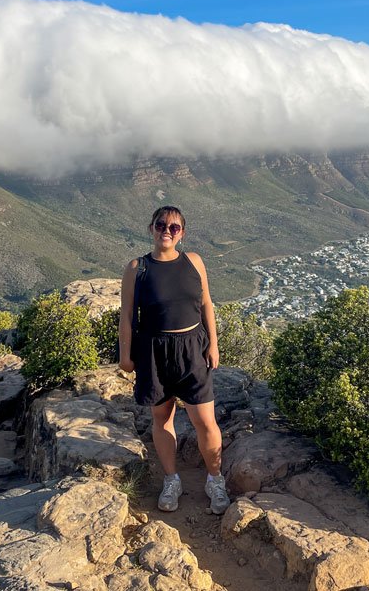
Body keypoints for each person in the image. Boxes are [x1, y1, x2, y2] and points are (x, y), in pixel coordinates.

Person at [118, 205, 230, 515]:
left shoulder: (194, 262)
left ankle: (215, 480)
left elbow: (207, 303)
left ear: (182, 234)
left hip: (193, 348)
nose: (167, 230)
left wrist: (213, 344)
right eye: (161, 224)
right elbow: (126, 315)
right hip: (154, 351)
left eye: (174, 227)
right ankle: (171, 480)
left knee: (205, 422)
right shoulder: (136, 268)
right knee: (162, 419)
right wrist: (125, 355)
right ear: (151, 228)